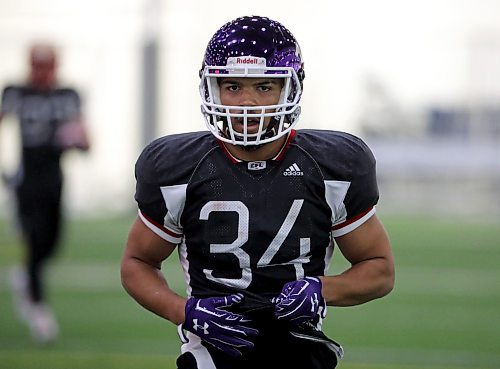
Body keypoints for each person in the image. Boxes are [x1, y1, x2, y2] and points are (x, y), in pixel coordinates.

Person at [121, 15, 395, 369]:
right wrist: (184, 311)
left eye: (264, 87)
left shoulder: (333, 166)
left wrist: (321, 290)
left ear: (289, 89)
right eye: (233, 86)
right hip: (210, 351)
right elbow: (137, 262)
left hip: (299, 349)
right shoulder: (177, 168)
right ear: (211, 88)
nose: (246, 103)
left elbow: (379, 269)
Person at [0, 42, 90, 343]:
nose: (41, 72)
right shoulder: (16, 92)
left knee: (52, 243)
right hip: (26, 181)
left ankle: (26, 277)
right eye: (36, 65)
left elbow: (86, 140)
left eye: (46, 65)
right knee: (35, 242)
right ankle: (38, 310)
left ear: (55, 65)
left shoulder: (67, 95)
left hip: (55, 178)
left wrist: (77, 140)